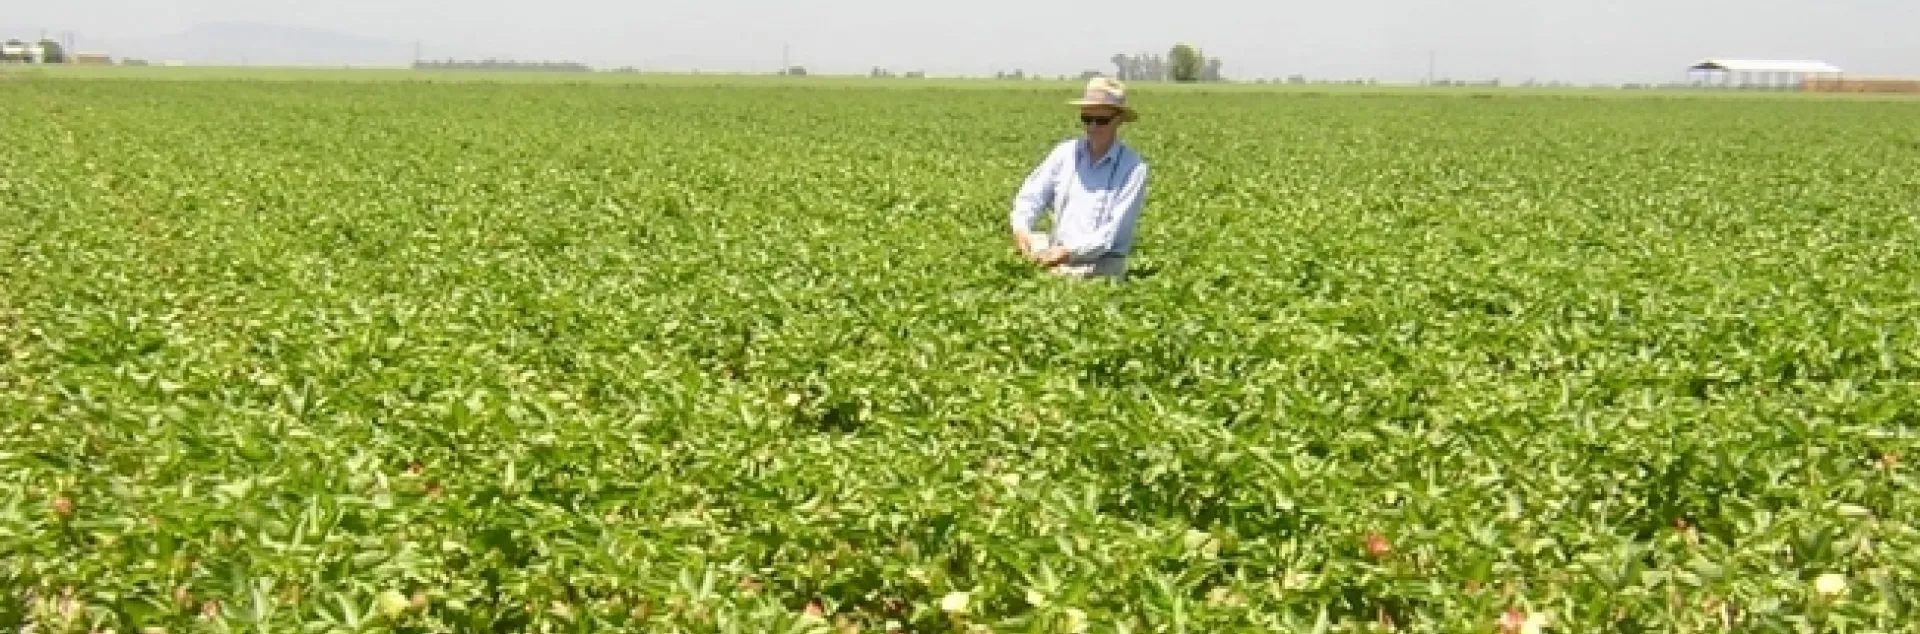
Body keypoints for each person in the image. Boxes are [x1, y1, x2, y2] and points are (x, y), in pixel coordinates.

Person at [1009, 77, 1150, 281]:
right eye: (1086, 119)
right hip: (1057, 262)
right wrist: (1021, 228)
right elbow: (1031, 196)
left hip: (1102, 269)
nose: (1092, 127)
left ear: (1119, 120)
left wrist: (1067, 253)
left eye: (1101, 120)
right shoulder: (1065, 154)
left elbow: (1111, 234)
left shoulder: (1133, 168)